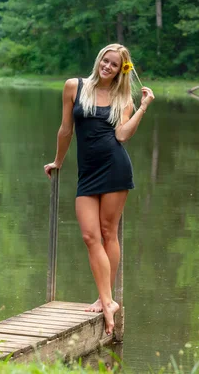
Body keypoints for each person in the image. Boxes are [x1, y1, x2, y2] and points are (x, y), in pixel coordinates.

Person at [43, 44, 154, 336]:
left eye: (115, 64)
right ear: (99, 60)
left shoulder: (123, 97)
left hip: (115, 167)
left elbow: (122, 135)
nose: (108, 66)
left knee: (108, 232)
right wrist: (58, 161)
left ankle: (105, 299)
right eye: (106, 60)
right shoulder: (74, 87)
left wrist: (141, 107)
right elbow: (66, 129)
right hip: (87, 172)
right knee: (89, 235)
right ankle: (108, 300)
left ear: (121, 70)